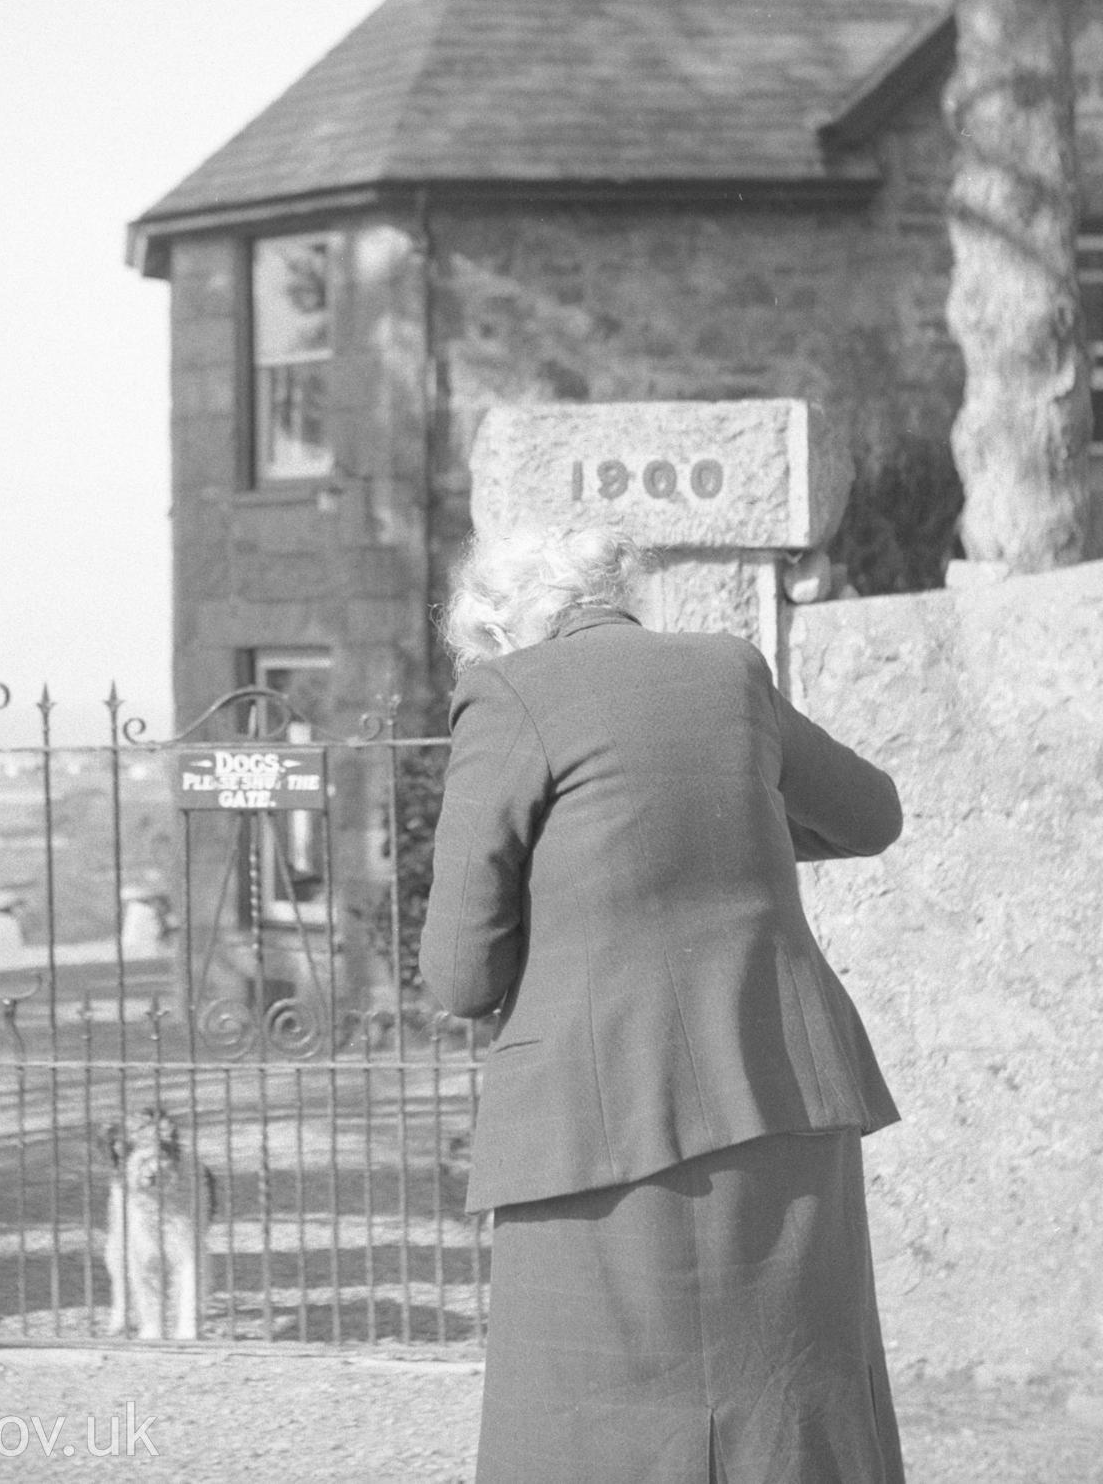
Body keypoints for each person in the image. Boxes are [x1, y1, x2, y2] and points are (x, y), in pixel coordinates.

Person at [421, 522, 906, 1484]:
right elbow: (871, 815)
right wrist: (722, 820)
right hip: (783, 1095)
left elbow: (459, 975)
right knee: (792, 1414)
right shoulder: (730, 671)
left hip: (595, 1130)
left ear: (505, 623)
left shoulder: (509, 691)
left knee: (595, 1433)